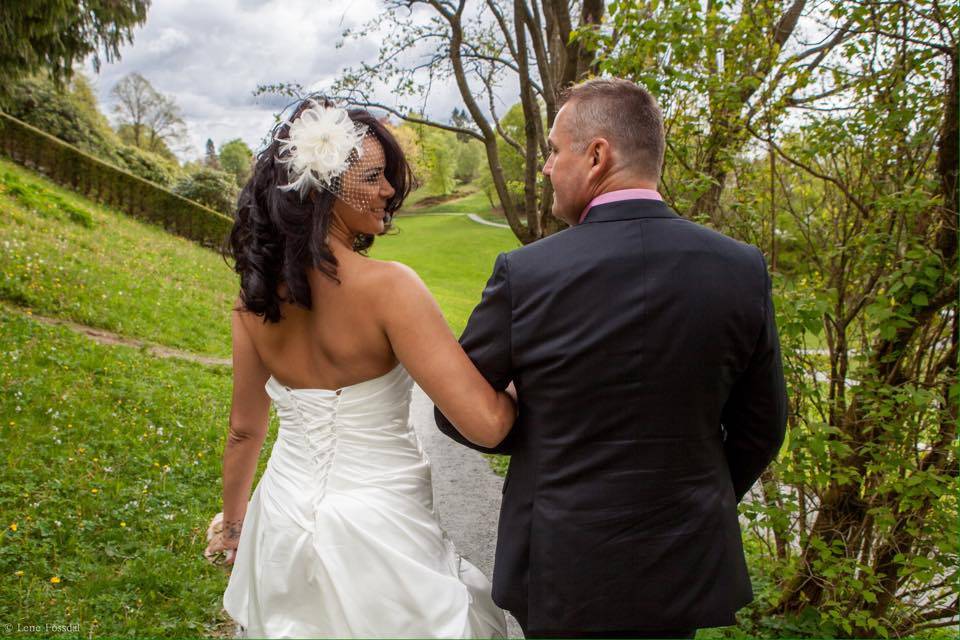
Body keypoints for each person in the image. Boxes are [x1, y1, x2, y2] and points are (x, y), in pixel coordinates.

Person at [435, 78, 788, 638]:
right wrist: (693, 500)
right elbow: (762, 428)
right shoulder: (740, 268)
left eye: (554, 150)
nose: (546, 168)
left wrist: (532, 428)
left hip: (560, 563)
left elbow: (457, 409)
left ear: (597, 154)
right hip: (681, 562)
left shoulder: (526, 274)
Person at [204, 96, 514, 638]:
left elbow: (243, 430)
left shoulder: (252, 300)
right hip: (378, 526)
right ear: (322, 190)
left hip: (282, 512)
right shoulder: (390, 288)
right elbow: (485, 424)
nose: (389, 190)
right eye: (373, 177)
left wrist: (233, 527)